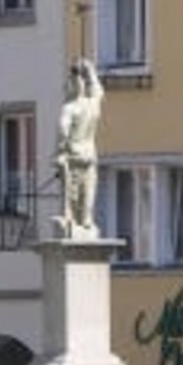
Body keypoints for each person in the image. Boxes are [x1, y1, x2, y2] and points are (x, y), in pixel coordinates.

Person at [54, 58, 103, 239]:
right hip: (89, 157)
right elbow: (98, 90)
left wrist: (59, 152)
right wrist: (90, 70)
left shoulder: (70, 108)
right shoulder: (92, 105)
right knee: (88, 193)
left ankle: (75, 222)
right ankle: (86, 220)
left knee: (71, 199)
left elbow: (62, 131)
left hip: (73, 157)